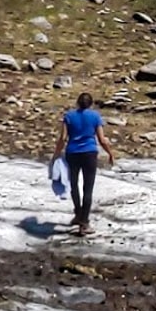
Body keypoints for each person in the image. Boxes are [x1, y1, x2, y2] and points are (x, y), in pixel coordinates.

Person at [52, 91, 115, 235]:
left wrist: (56, 154)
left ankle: (78, 214)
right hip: (90, 154)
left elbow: (63, 138)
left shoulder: (69, 116)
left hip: (72, 153)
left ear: (77, 103)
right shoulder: (95, 116)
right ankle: (84, 223)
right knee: (88, 187)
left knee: (73, 185)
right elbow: (101, 139)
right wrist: (110, 153)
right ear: (91, 104)